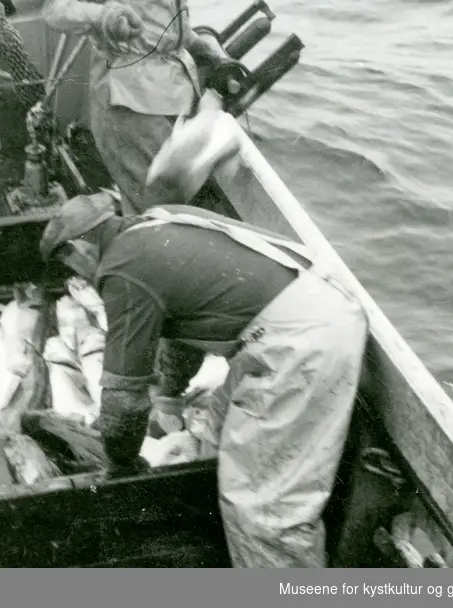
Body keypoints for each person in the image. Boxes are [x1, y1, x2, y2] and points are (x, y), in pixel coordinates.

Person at [37, 175, 369, 567]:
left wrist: (124, 464)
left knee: (266, 513)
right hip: (315, 305)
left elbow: (123, 400)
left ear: (79, 248)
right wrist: (171, 395)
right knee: (217, 426)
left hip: (300, 344)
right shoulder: (160, 222)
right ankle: (225, 544)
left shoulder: (121, 272)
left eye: (68, 263)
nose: (76, 273)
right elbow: (181, 328)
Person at [41, 0, 234, 216]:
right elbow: (56, 8)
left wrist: (195, 43)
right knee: (156, 205)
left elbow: (162, 17)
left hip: (171, 91)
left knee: (170, 198)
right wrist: (104, 16)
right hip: (128, 101)